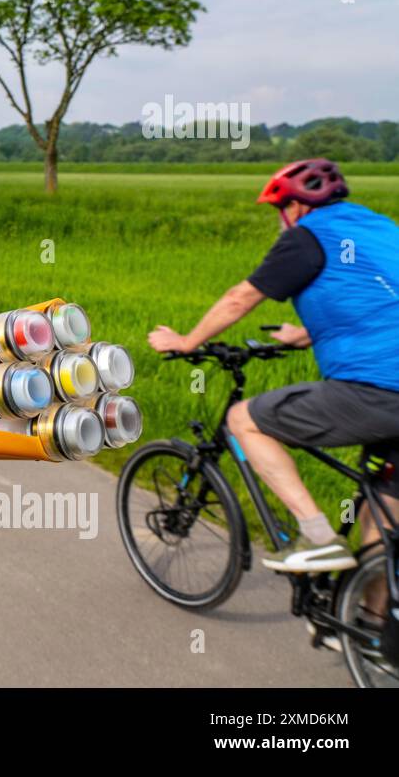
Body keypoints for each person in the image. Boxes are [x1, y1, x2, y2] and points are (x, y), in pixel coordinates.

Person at [148, 159, 399, 576]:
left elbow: (239, 299)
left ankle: (318, 538)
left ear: (296, 207)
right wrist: (303, 334)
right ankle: (369, 634)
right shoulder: (381, 229)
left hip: (377, 390)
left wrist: (187, 341)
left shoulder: (306, 238)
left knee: (242, 419)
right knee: (383, 518)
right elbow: (380, 299)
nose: (281, 221)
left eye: (280, 212)